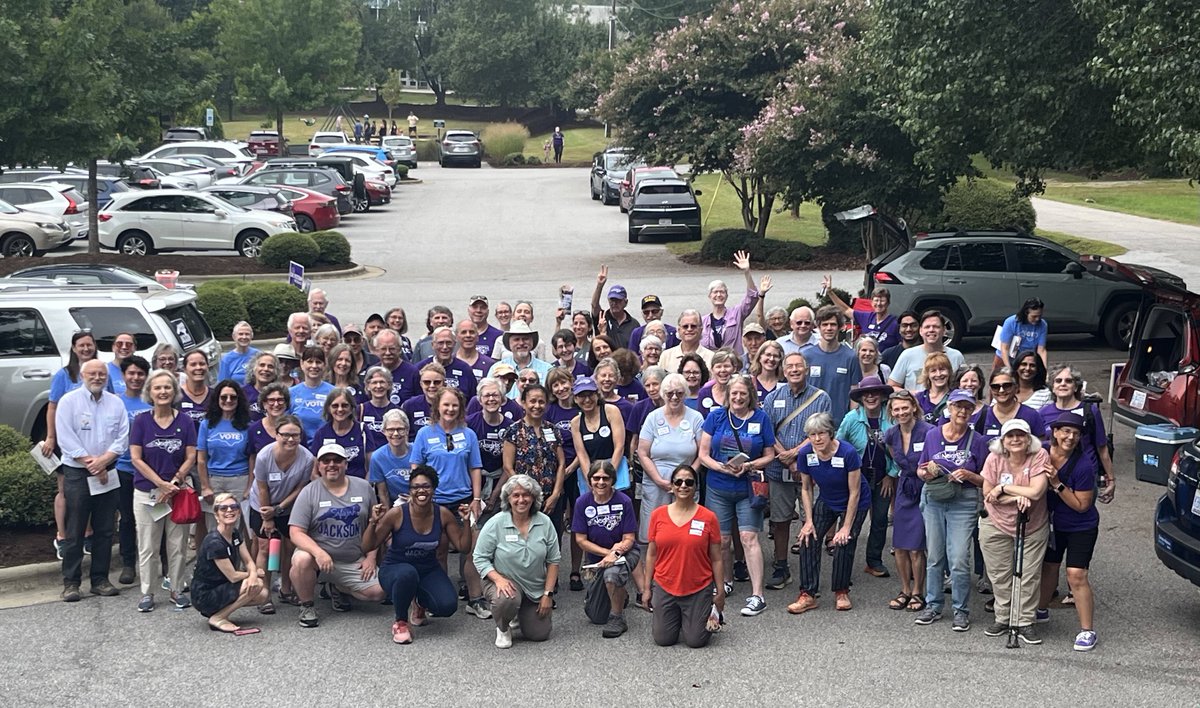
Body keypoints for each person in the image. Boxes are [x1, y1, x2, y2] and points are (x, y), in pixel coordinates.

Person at [698, 374, 776, 617]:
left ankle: (757, 594)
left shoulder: (761, 418)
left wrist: (750, 466)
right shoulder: (716, 416)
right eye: (734, 393)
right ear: (727, 395)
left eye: (743, 393)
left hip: (747, 488)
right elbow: (703, 453)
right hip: (718, 486)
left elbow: (770, 455)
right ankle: (725, 581)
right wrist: (721, 467)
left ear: (750, 395)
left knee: (748, 537)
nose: (738, 397)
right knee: (721, 541)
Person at [365, 465, 471, 644]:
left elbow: (463, 547)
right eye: (415, 487)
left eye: (426, 486)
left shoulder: (443, 514)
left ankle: (419, 602)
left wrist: (467, 522)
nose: (421, 490)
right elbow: (368, 545)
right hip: (395, 569)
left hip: (427, 569)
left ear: (434, 489)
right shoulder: (397, 514)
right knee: (407, 573)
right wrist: (373, 523)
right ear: (410, 490)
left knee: (447, 606)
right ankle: (401, 622)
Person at [913, 389, 990, 631]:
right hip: (935, 497)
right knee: (935, 556)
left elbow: (986, 480)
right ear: (949, 407)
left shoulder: (977, 440)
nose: (962, 412)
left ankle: (960, 610)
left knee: (958, 558)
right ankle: (933, 605)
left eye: (968, 407)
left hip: (963, 499)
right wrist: (927, 472)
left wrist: (968, 474)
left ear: (972, 411)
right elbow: (920, 469)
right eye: (958, 406)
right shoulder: (933, 435)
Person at [410, 387, 489, 618]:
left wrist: (476, 498)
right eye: (446, 405)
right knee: (439, 551)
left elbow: (475, 468)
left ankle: (475, 599)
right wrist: (420, 497)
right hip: (435, 502)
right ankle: (439, 596)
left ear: (461, 408)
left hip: (463, 500)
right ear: (437, 407)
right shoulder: (425, 434)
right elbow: (416, 468)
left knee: (472, 550)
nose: (450, 409)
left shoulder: (469, 434)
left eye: (455, 405)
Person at [288, 443, 385, 628]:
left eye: (337, 460)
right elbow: (296, 531)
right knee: (301, 559)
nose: (331, 464)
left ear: (346, 464)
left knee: (378, 592)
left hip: (353, 558)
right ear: (319, 466)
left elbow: (376, 524)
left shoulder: (364, 487)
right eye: (326, 461)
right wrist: (318, 552)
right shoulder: (309, 492)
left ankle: (338, 587)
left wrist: (371, 557)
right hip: (319, 560)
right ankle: (307, 605)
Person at [55, 359, 128, 603]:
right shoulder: (69, 402)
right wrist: (92, 463)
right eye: (92, 373)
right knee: (75, 529)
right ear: (83, 375)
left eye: (101, 374)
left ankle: (100, 580)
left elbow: (122, 438)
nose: (97, 377)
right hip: (77, 472)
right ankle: (71, 583)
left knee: (105, 529)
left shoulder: (116, 403)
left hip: (108, 471)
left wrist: (104, 461)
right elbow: (65, 438)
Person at [788, 412, 871, 613]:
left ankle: (841, 591)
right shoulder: (806, 453)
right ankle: (807, 594)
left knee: (843, 542)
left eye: (821, 433)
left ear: (831, 433)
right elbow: (806, 489)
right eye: (812, 434)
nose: (817, 439)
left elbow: (855, 492)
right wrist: (808, 521)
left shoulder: (847, 453)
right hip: (827, 499)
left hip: (854, 501)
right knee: (808, 538)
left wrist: (846, 527)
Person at [762, 352, 832, 590]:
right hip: (778, 469)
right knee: (780, 520)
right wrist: (787, 459)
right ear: (783, 370)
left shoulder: (820, 398)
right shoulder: (773, 397)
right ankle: (781, 566)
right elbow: (768, 432)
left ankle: (809, 568)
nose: (794, 370)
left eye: (798, 366)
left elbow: (820, 432)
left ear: (807, 369)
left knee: (810, 519)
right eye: (789, 366)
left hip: (810, 470)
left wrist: (796, 457)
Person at [129, 368, 197, 611]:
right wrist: (160, 483)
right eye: (157, 387)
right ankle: (147, 592)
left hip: (177, 494)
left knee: (177, 545)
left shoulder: (185, 421)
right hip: (148, 493)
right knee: (148, 545)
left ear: (174, 391)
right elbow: (136, 458)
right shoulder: (141, 421)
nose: (163, 392)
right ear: (150, 392)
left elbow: (191, 455)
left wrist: (175, 481)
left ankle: (177, 588)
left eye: (167, 387)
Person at [1035, 412, 1101, 651]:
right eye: (1065, 431)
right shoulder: (1041, 451)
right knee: (1048, 567)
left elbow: (1082, 505)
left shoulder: (1084, 465)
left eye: (1075, 433)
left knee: (1076, 574)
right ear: (1054, 431)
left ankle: (1087, 630)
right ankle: (1040, 610)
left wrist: (1057, 484)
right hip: (1050, 523)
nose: (1070, 437)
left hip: (1080, 526)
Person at [979, 418, 1049, 644]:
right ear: (1003, 440)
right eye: (1010, 436)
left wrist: (1004, 488)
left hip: (1032, 524)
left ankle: (1024, 621)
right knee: (999, 574)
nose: (1015, 439)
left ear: (1029, 439)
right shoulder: (994, 458)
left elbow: (1036, 492)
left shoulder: (1039, 456)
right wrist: (1018, 496)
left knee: (1028, 575)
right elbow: (988, 494)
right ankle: (1003, 617)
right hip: (996, 522)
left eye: (1021, 435)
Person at [473, 474, 562, 648]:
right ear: (508, 498)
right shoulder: (496, 523)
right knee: (507, 599)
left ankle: (519, 614)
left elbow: (553, 561)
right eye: (516, 495)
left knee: (539, 634)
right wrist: (498, 579)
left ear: (534, 497)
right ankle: (503, 627)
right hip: (503, 582)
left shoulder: (545, 523)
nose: (521, 500)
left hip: (535, 587)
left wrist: (548, 595)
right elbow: (479, 557)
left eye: (526, 495)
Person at [642, 464, 724, 648]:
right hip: (665, 585)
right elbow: (651, 554)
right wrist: (647, 588)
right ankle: (680, 618)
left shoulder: (708, 517)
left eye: (689, 482)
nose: (683, 486)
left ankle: (695, 616)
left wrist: (719, 592)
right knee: (663, 640)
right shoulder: (658, 515)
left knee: (696, 641)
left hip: (698, 586)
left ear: (696, 486)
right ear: (671, 486)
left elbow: (717, 558)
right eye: (678, 482)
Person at [44, 331, 106, 558]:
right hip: (67, 441)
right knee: (64, 491)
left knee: (89, 489)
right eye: (81, 345)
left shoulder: (101, 372)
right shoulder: (64, 375)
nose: (86, 349)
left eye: (89, 345)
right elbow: (52, 406)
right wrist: (51, 437)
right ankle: (62, 536)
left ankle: (88, 532)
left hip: (94, 443)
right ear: (73, 348)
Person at [249, 414, 311, 612]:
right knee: (266, 548)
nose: (290, 439)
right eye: (285, 435)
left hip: (288, 506)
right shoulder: (264, 457)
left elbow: (301, 487)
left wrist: (280, 508)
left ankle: (286, 589)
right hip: (261, 504)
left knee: (289, 547)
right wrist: (268, 517)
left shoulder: (307, 458)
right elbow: (263, 488)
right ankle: (264, 594)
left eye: (295, 435)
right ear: (276, 435)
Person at [837, 375, 897, 579]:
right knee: (851, 519)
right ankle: (843, 560)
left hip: (883, 478)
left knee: (879, 520)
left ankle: (874, 561)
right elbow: (839, 444)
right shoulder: (851, 418)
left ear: (882, 396)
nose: (870, 396)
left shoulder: (891, 418)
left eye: (875, 393)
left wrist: (891, 474)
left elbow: (900, 448)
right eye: (866, 393)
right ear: (861, 397)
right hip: (857, 479)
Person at [572, 460, 638, 637]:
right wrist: (607, 554)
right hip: (600, 557)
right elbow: (580, 540)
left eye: (605, 478)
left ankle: (618, 618)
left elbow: (629, 538)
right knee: (596, 616)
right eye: (596, 478)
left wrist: (616, 553)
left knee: (612, 575)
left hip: (625, 553)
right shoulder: (582, 503)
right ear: (589, 480)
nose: (601, 482)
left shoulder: (624, 501)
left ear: (613, 480)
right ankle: (618, 594)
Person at [884, 389, 933, 611]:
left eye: (905, 407)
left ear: (914, 407)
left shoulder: (929, 431)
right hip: (904, 488)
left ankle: (918, 592)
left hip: (925, 489)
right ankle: (904, 588)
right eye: (897, 409)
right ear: (891, 412)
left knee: (916, 547)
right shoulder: (891, 434)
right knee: (900, 545)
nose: (901, 412)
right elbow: (892, 456)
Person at [191, 492, 268, 632]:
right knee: (256, 585)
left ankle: (219, 613)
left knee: (262, 593)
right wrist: (254, 574)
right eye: (223, 508)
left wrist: (252, 574)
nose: (229, 511)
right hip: (204, 594)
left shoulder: (235, 534)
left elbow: (249, 561)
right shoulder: (214, 542)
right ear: (216, 515)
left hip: (222, 586)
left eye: (233, 507)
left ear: (239, 512)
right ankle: (219, 617)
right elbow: (232, 576)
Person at [1039, 365, 1115, 504]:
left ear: (1076, 387)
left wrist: (1111, 479)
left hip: (1083, 477)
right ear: (1052, 386)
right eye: (1058, 380)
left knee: (1079, 519)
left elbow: (1102, 448)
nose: (1063, 384)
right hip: (1052, 476)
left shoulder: (1090, 411)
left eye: (1068, 381)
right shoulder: (1043, 413)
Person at [501, 384, 566, 536]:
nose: (537, 406)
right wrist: (525, 493)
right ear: (523, 403)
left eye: (541, 402)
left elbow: (561, 463)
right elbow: (507, 467)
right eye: (533, 401)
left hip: (551, 499)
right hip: (523, 500)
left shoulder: (553, 429)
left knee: (552, 540)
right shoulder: (513, 430)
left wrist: (556, 494)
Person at [114, 356, 152, 585]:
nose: (136, 378)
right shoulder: (115, 402)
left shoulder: (153, 402)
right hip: (123, 468)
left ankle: (160, 561)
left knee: (155, 516)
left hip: (150, 471)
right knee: (127, 518)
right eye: (131, 373)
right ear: (124, 376)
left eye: (140, 374)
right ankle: (128, 563)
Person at [197, 380, 252, 532]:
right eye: (224, 397)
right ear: (217, 399)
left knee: (236, 529)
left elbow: (252, 458)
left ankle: (235, 557)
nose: (228, 401)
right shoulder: (207, 424)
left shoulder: (248, 425)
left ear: (239, 400)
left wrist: (249, 487)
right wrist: (205, 486)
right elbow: (201, 459)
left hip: (239, 480)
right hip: (214, 481)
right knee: (214, 528)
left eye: (233, 397)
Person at [801, 305, 862, 426]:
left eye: (833, 324)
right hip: (810, 423)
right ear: (818, 327)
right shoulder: (806, 356)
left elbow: (854, 395)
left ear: (841, 327)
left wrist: (851, 423)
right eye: (824, 324)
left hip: (839, 424)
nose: (829, 328)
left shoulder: (851, 357)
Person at [701, 251, 768, 357]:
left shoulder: (736, 313)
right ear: (709, 296)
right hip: (712, 364)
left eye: (722, 292)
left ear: (726, 295)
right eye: (715, 292)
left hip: (734, 363)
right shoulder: (703, 321)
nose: (719, 295)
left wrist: (747, 272)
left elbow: (752, 297)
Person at [889, 310, 966, 391]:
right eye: (927, 327)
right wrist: (912, 395)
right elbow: (892, 386)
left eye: (936, 326)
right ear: (920, 331)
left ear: (944, 330)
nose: (931, 330)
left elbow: (965, 385)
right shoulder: (907, 355)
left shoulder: (956, 356)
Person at [823, 276, 901, 349]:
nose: (879, 304)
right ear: (871, 302)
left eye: (882, 301)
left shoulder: (895, 323)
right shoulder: (866, 317)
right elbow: (845, 310)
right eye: (876, 300)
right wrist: (830, 292)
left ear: (888, 303)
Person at [309, 387, 370, 479]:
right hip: (329, 489)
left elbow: (371, 468)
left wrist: (364, 488)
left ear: (352, 407)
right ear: (328, 408)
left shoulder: (362, 430)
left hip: (359, 488)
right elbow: (313, 472)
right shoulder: (322, 433)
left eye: (345, 405)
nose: (340, 409)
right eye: (335, 406)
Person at [977, 368, 1046, 443]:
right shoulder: (983, 415)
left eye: (1007, 386)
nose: (1001, 390)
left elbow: (1040, 445)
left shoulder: (1031, 415)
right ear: (990, 390)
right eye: (995, 387)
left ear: (1016, 388)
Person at [418, 325, 478, 400]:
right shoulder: (420, 368)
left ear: (454, 344)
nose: (445, 347)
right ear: (433, 345)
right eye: (440, 343)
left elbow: (473, 399)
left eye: (448, 343)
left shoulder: (465, 369)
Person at [290, 346, 334, 446]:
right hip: (298, 448)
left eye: (318, 362)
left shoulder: (333, 392)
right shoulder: (291, 393)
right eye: (310, 361)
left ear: (325, 365)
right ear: (302, 364)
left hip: (327, 448)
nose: (314, 366)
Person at [491, 321, 552, 393]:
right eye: (516, 339)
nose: (521, 343)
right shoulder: (496, 369)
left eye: (525, 339)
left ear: (532, 343)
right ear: (509, 344)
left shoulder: (547, 370)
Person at [368, 409, 414, 505]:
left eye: (400, 429)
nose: (396, 433)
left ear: (407, 430)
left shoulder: (418, 451)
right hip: (395, 505)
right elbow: (383, 493)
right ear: (384, 431)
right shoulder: (377, 457)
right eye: (391, 430)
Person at [590, 268, 639, 349]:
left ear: (625, 302)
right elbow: (594, 305)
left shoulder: (634, 324)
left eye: (618, 300)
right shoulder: (602, 318)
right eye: (612, 300)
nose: (614, 303)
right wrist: (599, 285)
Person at [996, 298, 1048, 370]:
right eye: (1034, 316)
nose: (1037, 319)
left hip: (1027, 356)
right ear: (1026, 313)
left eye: (1039, 316)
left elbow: (1041, 350)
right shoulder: (1011, 322)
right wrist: (1009, 368)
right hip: (1007, 354)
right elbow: (1004, 348)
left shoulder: (1043, 325)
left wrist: (1044, 369)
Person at [692, 348, 741, 418]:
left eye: (726, 366)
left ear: (734, 369)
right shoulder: (704, 393)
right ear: (712, 370)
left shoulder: (742, 392)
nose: (722, 370)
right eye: (718, 366)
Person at [359, 366, 398, 452]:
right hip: (367, 459)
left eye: (382, 382)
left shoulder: (397, 411)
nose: (378, 386)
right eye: (374, 382)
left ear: (389, 385)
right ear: (368, 386)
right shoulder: (360, 410)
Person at [403, 362, 445, 441]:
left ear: (444, 383)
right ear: (421, 384)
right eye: (427, 382)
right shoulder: (409, 405)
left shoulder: (451, 405)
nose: (432, 386)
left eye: (437, 382)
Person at [248, 382, 290, 457]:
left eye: (280, 400)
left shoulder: (295, 427)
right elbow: (252, 457)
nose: (276, 404)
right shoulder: (254, 429)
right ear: (264, 404)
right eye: (271, 400)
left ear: (286, 403)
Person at [915, 352, 953, 424]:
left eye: (942, 369)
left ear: (949, 371)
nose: (938, 374)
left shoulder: (955, 398)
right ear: (927, 375)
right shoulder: (919, 399)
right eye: (933, 371)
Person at [242, 351, 279, 419]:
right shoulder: (242, 393)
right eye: (262, 365)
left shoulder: (281, 394)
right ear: (253, 369)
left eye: (270, 366)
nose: (266, 369)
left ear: (276, 372)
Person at [106, 332, 136, 396]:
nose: (124, 347)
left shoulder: (141, 371)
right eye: (119, 344)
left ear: (134, 348)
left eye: (128, 344)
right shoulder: (105, 370)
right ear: (113, 347)